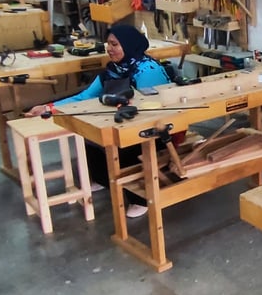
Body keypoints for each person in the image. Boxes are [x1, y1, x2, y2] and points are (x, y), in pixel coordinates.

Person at [26, 25, 172, 218]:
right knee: (87, 135)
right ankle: (105, 179)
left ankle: (140, 199)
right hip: (122, 120)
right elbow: (84, 97)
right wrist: (49, 107)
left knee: (126, 141)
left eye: (115, 44)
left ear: (128, 45)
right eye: (108, 44)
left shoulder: (147, 70)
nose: (109, 48)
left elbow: (155, 108)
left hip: (157, 129)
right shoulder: (112, 70)